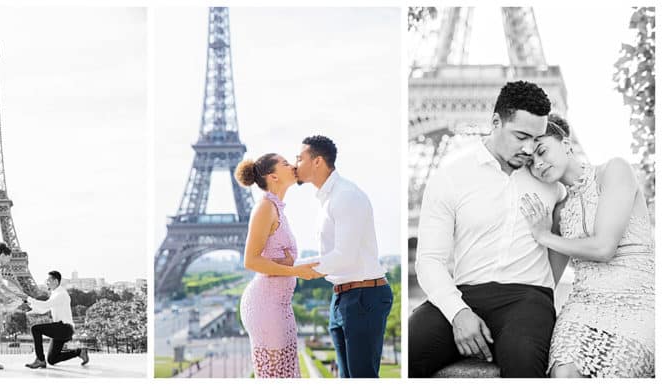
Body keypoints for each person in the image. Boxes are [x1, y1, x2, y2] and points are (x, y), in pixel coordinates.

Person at [409, 80, 565, 377]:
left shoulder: (550, 179)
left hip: (528, 298)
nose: (529, 148)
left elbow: (579, 209)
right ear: (495, 122)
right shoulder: (451, 176)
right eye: (520, 136)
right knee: (412, 350)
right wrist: (458, 312)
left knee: (524, 363)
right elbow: (429, 260)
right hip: (465, 293)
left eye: (536, 138)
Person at [520, 116, 655, 377]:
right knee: (565, 374)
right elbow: (546, 282)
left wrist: (544, 236)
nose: (538, 164)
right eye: (530, 163)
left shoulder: (615, 170)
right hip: (582, 306)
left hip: (637, 303)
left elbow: (605, 248)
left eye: (542, 151)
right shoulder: (558, 213)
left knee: (613, 372)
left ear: (567, 144)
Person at [294, 135, 391, 378]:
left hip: (362, 297)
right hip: (344, 296)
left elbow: (344, 256)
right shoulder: (328, 199)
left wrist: (293, 268)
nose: (295, 164)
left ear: (317, 162)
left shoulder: (345, 196)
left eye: (299, 158)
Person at [235, 153, 323, 378]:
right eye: (285, 163)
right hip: (266, 305)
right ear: (273, 176)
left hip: (278, 305)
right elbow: (250, 260)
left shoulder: (277, 208)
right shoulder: (265, 207)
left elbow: (279, 260)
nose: (292, 165)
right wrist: (295, 271)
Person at [23, 271, 88, 368]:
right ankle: (79, 352)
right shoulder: (55, 294)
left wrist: (29, 298)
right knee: (52, 359)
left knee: (35, 329)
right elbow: (43, 310)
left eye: (48, 280)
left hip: (64, 328)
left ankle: (40, 359)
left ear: (56, 281)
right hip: (61, 329)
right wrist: (29, 306)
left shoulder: (61, 294)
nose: (46, 282)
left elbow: (45, 305)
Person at [0, 242, 27, 370]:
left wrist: (17, 294)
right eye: (8, 258)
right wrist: (4, 297)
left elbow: (2, 286)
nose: (9, 261)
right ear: (3, 255)